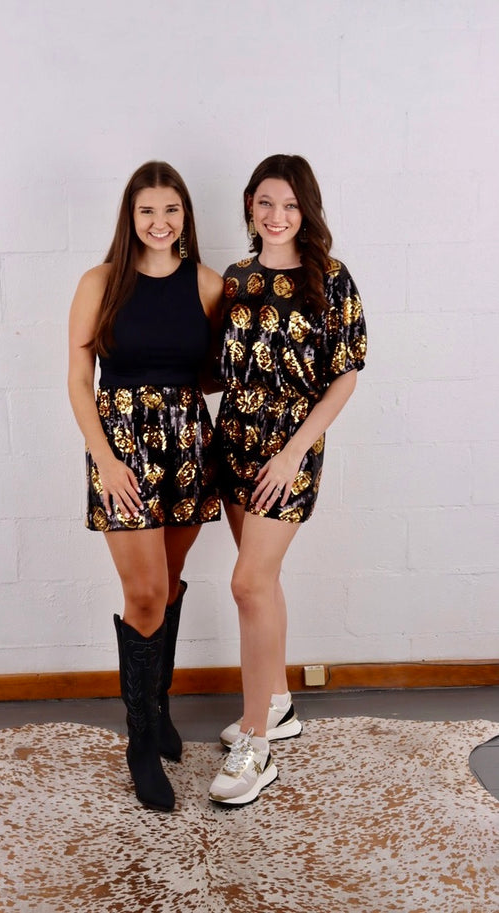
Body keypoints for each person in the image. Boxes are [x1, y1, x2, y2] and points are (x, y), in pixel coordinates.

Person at [209, 154, 367, 806]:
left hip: (288, 452)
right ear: (250, 205)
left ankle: (256, 746)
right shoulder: (235, 277)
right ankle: (275, 703)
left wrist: (294, 452)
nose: (278, 215)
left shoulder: (330, 278)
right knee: (263, 582)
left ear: (308, 210)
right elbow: (217, 365)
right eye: (266, 202)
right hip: (233, 443)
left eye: (291, 205)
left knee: (246, 582)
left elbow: (346, 375)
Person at [68, 161, 224, 813]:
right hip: (122, 448)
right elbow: (79, 379)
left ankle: (158, 710)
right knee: (145, 592)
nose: (160, 222)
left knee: (171, 579)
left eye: (171, 210)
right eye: (147, 211)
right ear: (130, 218)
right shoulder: (100, 282)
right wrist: (104, 459)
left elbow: (216, 373)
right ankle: (139, 742)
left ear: (186, 215)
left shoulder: (209, 284)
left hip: (188, 444)